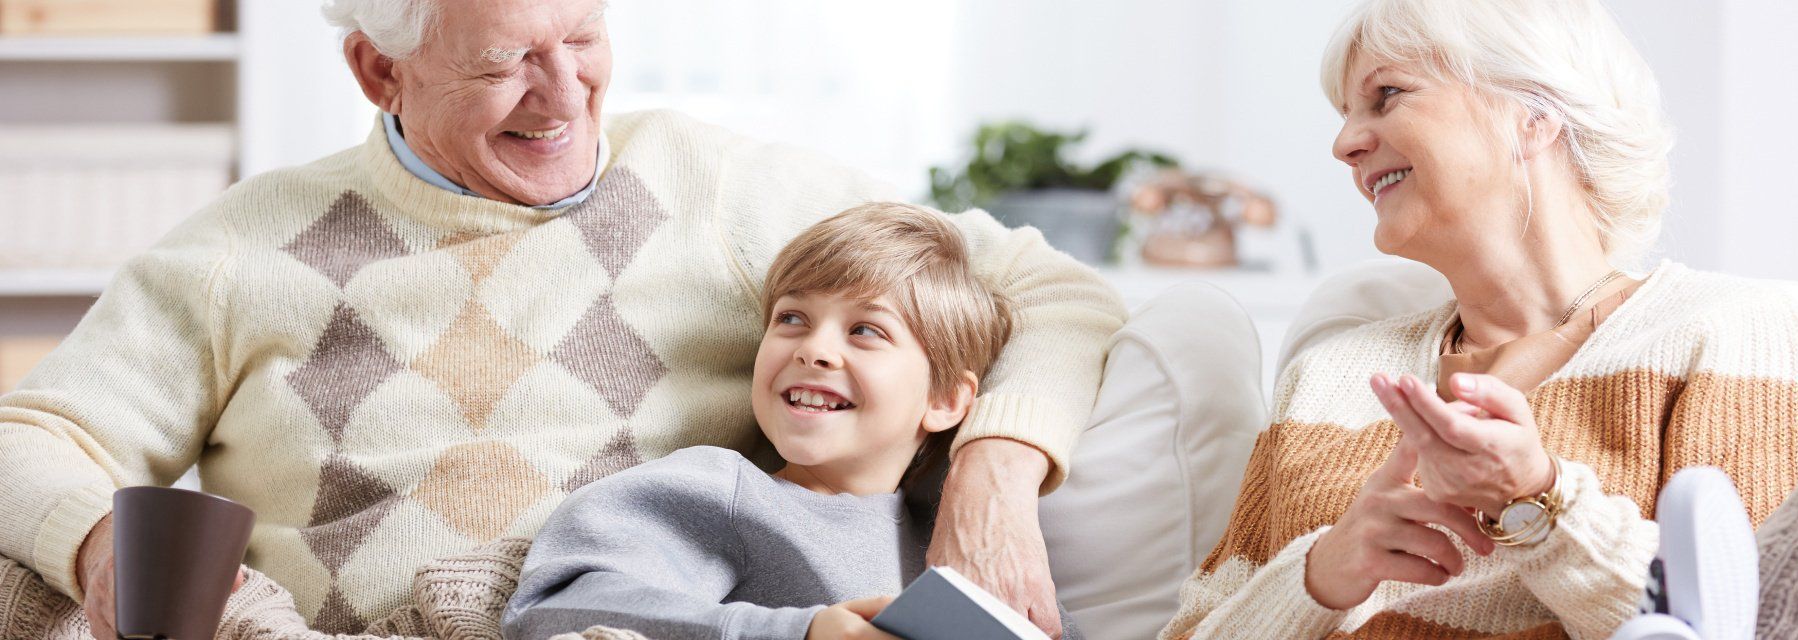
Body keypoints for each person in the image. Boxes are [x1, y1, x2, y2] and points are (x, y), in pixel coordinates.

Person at [0, 0, 1123, 635]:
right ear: (375, 69)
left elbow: (1051, 287)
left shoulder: (716, 184)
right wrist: (96, 540)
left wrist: (996, 471)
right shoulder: (239, 249)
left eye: (581, 38)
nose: (565, 93)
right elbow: (31, 438)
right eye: (505, 63)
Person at [1160, 0, 1798, 638]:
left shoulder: (1722, 330)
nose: (1344, 143)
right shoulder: (1329, 374)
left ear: (1531, 113)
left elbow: (1770, 618)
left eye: (1387, 94)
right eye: (1344, 112)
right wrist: (1319, 575)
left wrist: (1541, 506)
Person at [503, 202, 1080, 640]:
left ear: (947, 400)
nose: (814, 349)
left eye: (866, 331)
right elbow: (554, 606)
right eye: (793, 318)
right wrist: (799, 631)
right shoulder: (725, 493)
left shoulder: (958, 546)